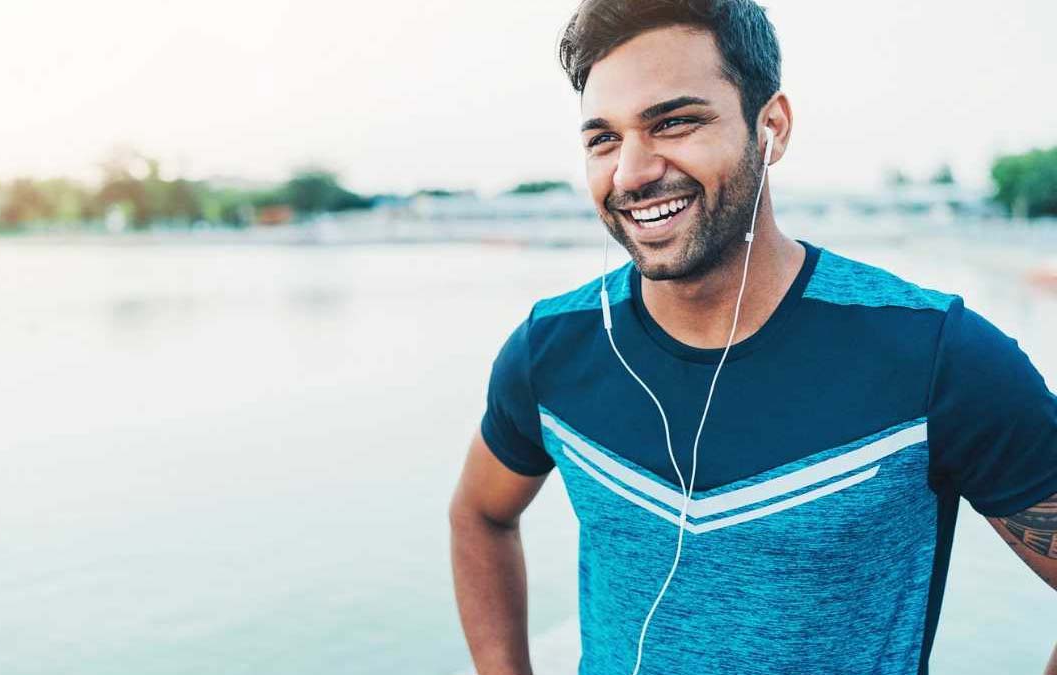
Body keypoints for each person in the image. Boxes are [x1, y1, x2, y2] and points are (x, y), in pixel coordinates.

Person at [447, 1, 1057, 674]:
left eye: (673, 122)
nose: (631, 171)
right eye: (603, 139)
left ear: (772, 128)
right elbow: (480, 513)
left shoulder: (934, 354)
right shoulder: (551, 349)